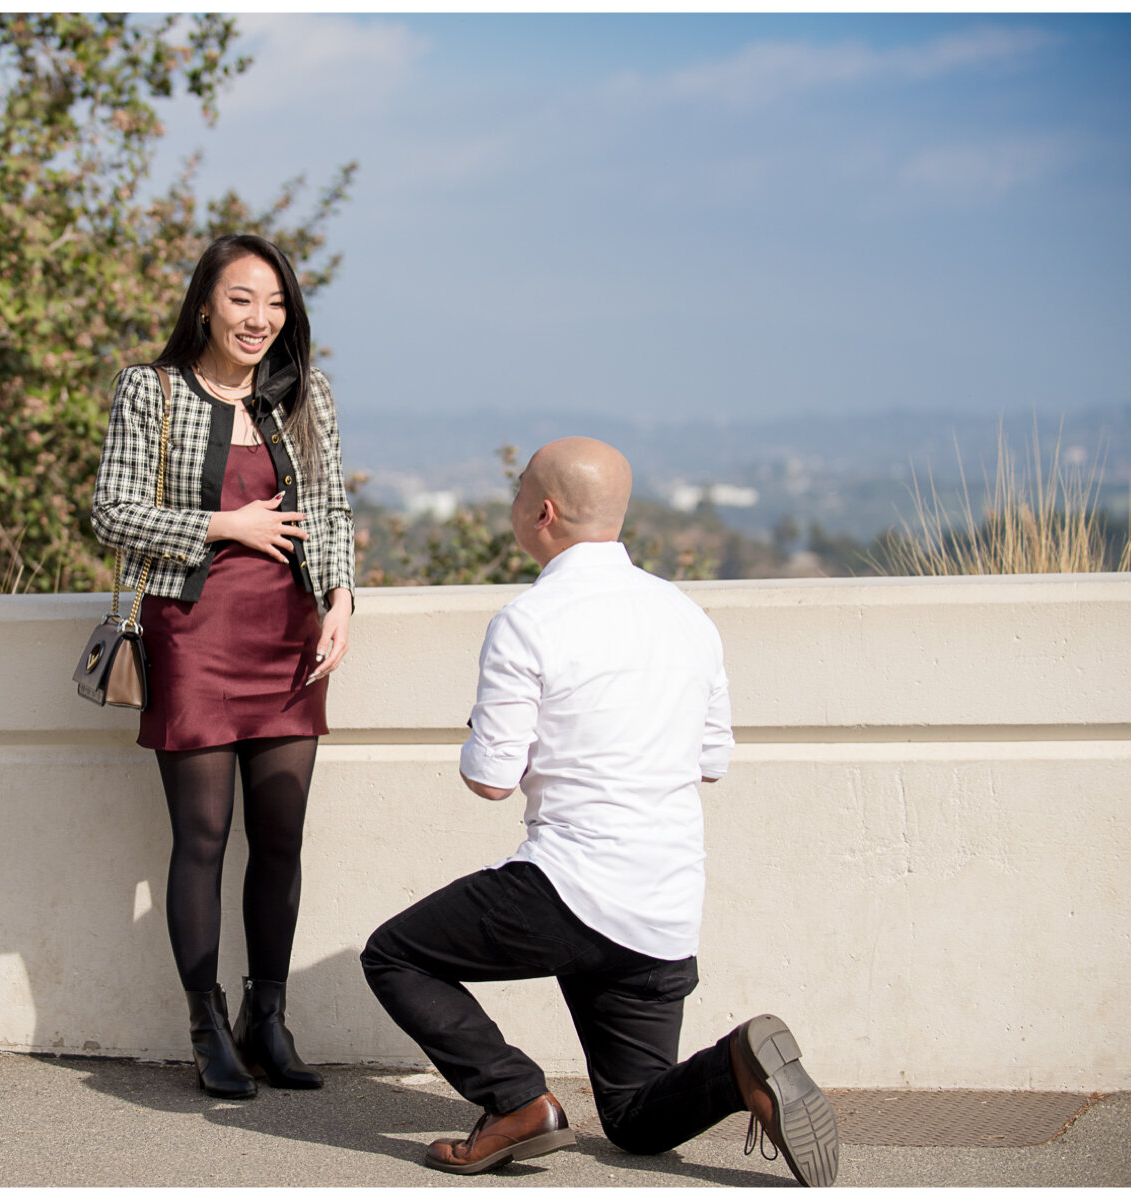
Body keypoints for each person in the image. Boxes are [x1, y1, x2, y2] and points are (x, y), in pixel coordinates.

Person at [360, 437, 839, 1185]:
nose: (513, 505)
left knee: (395, 954)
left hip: (568, 886)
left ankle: (516, 1101)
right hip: (665, 905)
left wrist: (486, 737)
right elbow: (712, 761)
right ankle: (738, 1065)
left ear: (542, 513)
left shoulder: (528, 619)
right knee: (636, 1118)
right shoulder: (687, 616)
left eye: (519, 493)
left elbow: (489, 780)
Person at [91, 234, 355, 1099]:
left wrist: (343, 596)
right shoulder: (152, 390)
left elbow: (331, 505)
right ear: (206, 301)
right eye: (243, 299)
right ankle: (206, 1026)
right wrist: (225, 526)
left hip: (289, 633)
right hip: (192, 632)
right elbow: (113, 511)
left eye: (275, 303)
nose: (260, 319)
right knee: (202, 839)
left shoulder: (303, 391)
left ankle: (267, 1019)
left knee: (281, 837)